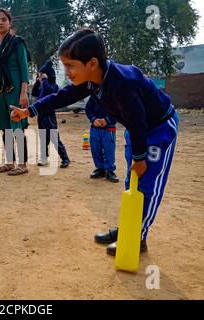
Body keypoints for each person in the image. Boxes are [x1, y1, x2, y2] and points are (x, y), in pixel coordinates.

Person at [10, 28, 179, 256]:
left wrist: (140, 157)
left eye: (70, 66)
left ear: (91, 63)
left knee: (147, 183)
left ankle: (137, 237)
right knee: (133, 183)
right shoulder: (91, 80)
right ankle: (127, 228)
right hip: (136, 130)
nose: (67, 72)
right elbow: (63, 96)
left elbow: (139, 121)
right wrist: (29, 110)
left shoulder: (123, 83)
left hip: (158, 128)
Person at [0, 8, 31, 176]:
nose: (0, 22)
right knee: (5, 128)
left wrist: (24, 93)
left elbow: (24, 69)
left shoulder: (18, 43)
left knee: (17, 127)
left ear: (10, 23)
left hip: (15, 87)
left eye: (4, 19)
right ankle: (10, 163)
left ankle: (22, 165)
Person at [31, 60, 70, 168]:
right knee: (43, 138)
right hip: (41, 116)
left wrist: (44, 79)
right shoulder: (42, 85)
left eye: (42, 75)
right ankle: (44, 158)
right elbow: (34, 92)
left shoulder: (54, 86)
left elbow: (48, 91)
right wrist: (38, 81)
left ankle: (65, 158)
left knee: (54, 137)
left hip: (49, 116)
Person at [85, 96, 118, 182]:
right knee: (95, 149)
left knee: (109, 150)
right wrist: (93, 119)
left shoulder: (114, 95)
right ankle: (100, 169)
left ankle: (110, 171)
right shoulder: (94, 95)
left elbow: (118, 110)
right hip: (95, 127)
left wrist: (107, 120)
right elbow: (88, 109)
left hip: (109, 128)